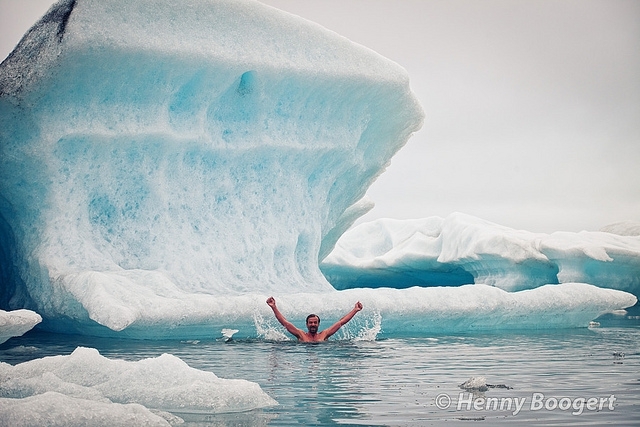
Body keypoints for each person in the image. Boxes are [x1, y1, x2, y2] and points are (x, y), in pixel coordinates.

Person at [266, 296, 363, 342]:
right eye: (311, 323)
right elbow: (284, 323)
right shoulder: (301, 334)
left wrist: (355, 310)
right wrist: (274, 307)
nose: (313, 324)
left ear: (318, 324)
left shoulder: (324, 334)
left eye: (315, 323)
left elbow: (341, 322)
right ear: (307, 324)